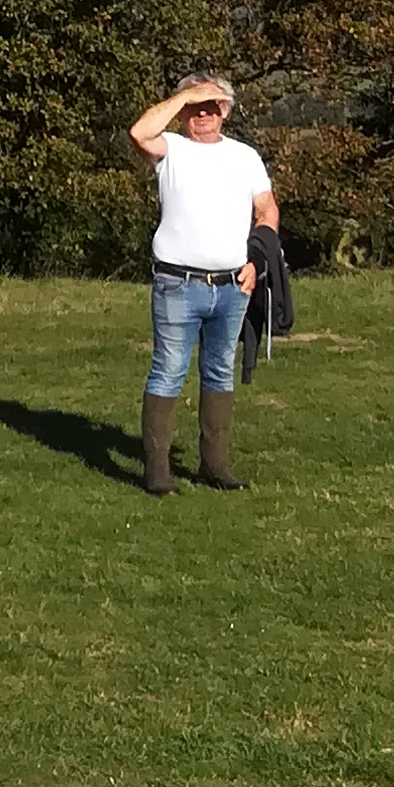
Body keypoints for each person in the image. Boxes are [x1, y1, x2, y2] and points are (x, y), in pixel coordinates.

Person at [128, 77, 280, 495]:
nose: (204, 114)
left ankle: (215, 466)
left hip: (232, 286)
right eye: (197, 106)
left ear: (226, 111)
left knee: (219, 372)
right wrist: (182, 97)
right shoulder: (171, 149)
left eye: (212, 105)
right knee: (168, 371)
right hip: (178, 284)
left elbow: (267, 210)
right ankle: (158, 474)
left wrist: (259, 259)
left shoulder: (245, 157)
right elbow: (139, 132)